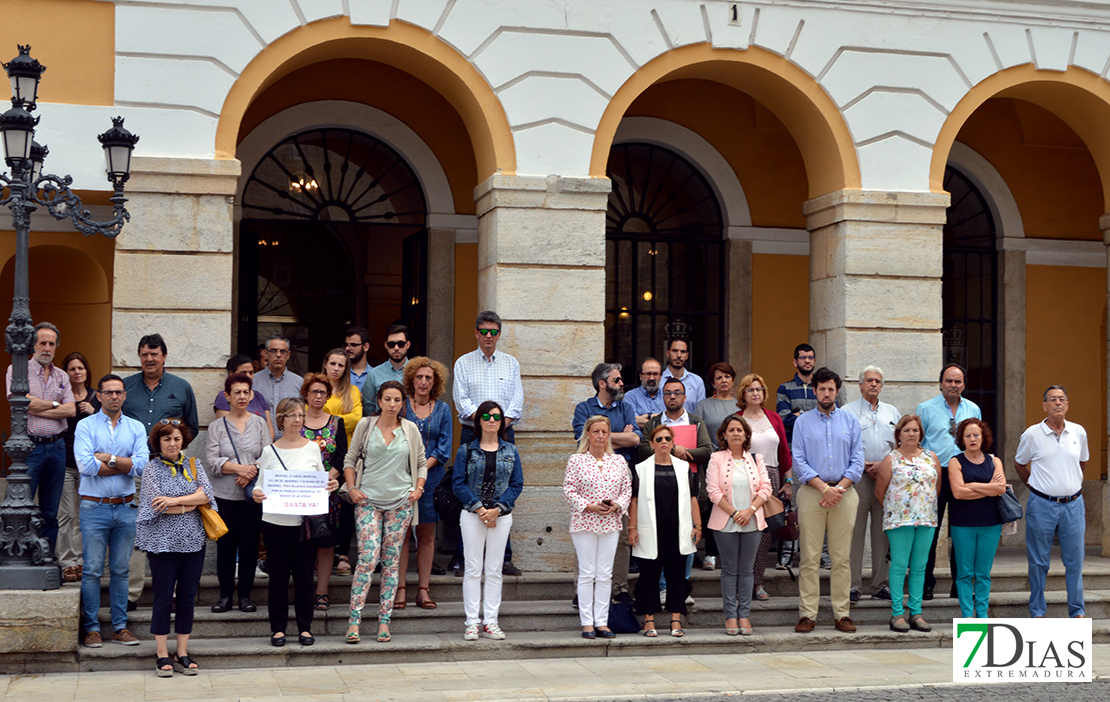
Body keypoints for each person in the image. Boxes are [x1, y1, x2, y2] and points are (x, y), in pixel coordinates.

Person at [344, 380, 428, 644]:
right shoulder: (365, 426)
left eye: (397, 400)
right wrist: (351, 488)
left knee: (391, 564)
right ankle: (354, 622)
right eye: (387, 399)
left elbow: (421, 463)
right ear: (379, 401)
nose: (392, 404)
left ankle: (384, 622)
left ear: (403, 403)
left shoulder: (410, 429)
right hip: (368, 500)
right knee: (368, 559)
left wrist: (418, 489)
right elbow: (349, 458)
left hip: (400, 502)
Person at [252, 397, 339, 647]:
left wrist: (330, 484)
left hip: (304, 524)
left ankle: (305, 627)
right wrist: (258, 494)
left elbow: (319, 481)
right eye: (292, 416)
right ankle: (278, 629)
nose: (298, 420)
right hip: (275, 523)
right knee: (278, 576)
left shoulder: (312, 448)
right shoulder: (269, 452)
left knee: (303, 577)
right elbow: (259, 486)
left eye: (301, 415)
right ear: (281, 420)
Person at [122, 332, 200, 608]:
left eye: (154, 354)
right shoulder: (125, 387)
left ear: (164, 356)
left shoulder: (181, 387)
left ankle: (173, 594)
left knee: (174, 527)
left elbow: (191, 426)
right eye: (144, 354)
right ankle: (131, 594)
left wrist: (173, 452)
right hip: (133, 469)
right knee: (136, 529)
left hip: (171, 469)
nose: (149, 358)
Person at [74, 374, 149, 648]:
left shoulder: (136, 428)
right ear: (99, 396)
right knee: (92, 570)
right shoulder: (84, 426)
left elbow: (142, 467)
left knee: (121, 570)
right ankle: (92, 628)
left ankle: (120, 627)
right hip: (94, 507)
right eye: (108, 392)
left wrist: (109, 458)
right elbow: (86, 466)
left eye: (118, 392)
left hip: (127, 507)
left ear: (125, 395)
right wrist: (124, 463)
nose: (114, 397)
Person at [136, 418, 215, 676]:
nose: (172, 443)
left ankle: (182, 651)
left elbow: (207, 496)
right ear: (158, 442)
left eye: (177, 438)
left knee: (187, 598)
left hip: (193, 542)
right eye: (167, 438)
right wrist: (189, 504)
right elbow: (157, 505)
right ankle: (161, 653)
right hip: (162, 543)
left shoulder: (194, 464)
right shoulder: (151, 469)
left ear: (184, 441)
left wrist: (176, 501)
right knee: (162, 598)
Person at [791, 367, 863, 634]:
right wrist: (823, 488)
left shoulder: (850, 421)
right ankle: (808, 614)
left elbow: (857, 460)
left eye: (831, 389)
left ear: (837, 391)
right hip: (812, 493)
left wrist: (839, 489)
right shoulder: (802, 422)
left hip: (844, 494)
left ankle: (841, 614)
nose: (826, 393)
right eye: (822, 388)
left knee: (841, 557)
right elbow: (798, 460)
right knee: (809, 557)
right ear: (814, 390)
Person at [453, 310, 525, 575]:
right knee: (468, 490)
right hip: (472, 433)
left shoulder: (511, 363)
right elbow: (461, 400)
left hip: (505, 434)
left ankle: (503, 558)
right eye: (483, 331)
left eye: (493, 332)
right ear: (476, 333)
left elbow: (517, 400)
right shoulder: (463, 363)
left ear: (499, 334)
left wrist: (498, 424)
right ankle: (464, 558)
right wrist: (485, 421)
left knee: (503, 489)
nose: (488, 336)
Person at [452, 400, 524, 641]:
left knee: (494, 569)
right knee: (473, 569)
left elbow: (516, 484)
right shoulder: (466, 450)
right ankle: (472, 622)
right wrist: (481, 509)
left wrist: (498, 509)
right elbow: (458, 483)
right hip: (473, 515)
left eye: (496, 416)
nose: (491, 420)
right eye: (486, 416)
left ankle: (491, 622)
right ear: (478, 421)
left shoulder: (511, 451)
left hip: (501, 517)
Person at [1016, 385, 1089, 619]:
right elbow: (1020, 464)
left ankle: (1077, 611)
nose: (1058, 403)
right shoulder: (1031, 434)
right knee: (1038, 561)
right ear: (1044, 406)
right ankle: (1037, 611)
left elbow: (1082, 463)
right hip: (1042, 504)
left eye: (1062, 399)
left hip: (1074, 504)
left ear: (1067, 404)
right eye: (1052, 400)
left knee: (1075, 560)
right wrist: (1034, 486)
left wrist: (1071, 482)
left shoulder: (1079, 432)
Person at [204, 372, 272, 614]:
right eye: (237, 392)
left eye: (246, 392)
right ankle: (224, 596)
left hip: (252, 496)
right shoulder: (216, 427)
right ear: (227, 396)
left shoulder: (260, 423)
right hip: (224, 496)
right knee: (226, 546)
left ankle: (245, 595)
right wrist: (240, 468)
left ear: (251, 394)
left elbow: (267, 456)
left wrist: (250, 472)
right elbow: (212, 461)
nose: (242, 396)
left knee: (250, 545)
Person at [5, 322, 75, 553]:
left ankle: (45, 556)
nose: (46, 348)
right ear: (33, 345)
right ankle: (17, 556)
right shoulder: (17, 370)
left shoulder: (62, 376)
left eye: (51, 344)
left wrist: (40, 405)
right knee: (19, 507)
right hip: (28, 448)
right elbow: (23, 404)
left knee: (50, 511)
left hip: (56, 448)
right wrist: (56, 404)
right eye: (42, 343)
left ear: (56, 347)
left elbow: (71, 410)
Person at [638, 377, 712, 590]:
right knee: (662, 537)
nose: (672, 396)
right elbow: (642, 451)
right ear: (663, 397)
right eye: (668, 393)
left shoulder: (696, 422)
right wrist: (671, 448)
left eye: (677, 393)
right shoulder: (654, 423)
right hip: (658, 487)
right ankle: (662, 587)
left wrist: (682, 452)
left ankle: (681, 586)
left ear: (684, 397)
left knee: (687, 536)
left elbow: (707, 451)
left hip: (687, 486)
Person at [563, 415, 632, 639]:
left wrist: (617, 506)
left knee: (605, 573)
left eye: (604, 431)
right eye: (596, 431)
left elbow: (626, 489)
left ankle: (602, 621)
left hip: (611, 522)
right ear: (588, 434)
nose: (600, 436)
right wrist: (589, 506)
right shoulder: (576, 460)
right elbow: (569, 490)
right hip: (584, 522)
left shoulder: (618, 461)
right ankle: (587, 623)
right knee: (587, 572)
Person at [916, 363, 981, 600]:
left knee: (962, 534)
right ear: (941, 382)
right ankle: (926, 584)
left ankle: (959, 585)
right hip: (936, 476)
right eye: (949, 381)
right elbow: (918, 444)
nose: (953, 385)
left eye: (958, 381)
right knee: (929, 533)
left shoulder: (973, 408)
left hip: (964, 476)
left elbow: (977, 442)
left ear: (964, 384)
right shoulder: (925, 408)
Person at [629, 425, 699, 638]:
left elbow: (693, 497)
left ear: (672, 442)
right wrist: (632, 528)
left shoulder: (683, 467)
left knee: (676, 575)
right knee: (649, 575)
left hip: (678, 529)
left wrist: (698, 525)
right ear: (651, 444)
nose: (663, 442)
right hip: (650, 529)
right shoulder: (641, 468)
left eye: (667, 438)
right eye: (658, 439)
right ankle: (649, 619)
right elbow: (635, 500)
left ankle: (676, 618)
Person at [706, 415, 771, 636]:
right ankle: (730, 616)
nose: (735, 433)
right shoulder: (716, 458)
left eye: (739, 430)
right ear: (724, 434)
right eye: (731, 430)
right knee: (729, 570)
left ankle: (744, 615)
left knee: (746, 570)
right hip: (726, 521)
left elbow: (766, 489)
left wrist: (749, 511)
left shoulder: (756, 458)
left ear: (746, 435)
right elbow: (713, 491)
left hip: (752, 520)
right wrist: (735, 513)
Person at [874, 415, 940, 633]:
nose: (911, 434)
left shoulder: (931, 457)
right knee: (900, 565)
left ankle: (916, 612)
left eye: (915, 430)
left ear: (921, 434)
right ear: (899, 435)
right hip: (899, 519)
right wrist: (899, 508)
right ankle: (896, 614)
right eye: (907, 430)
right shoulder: (890, 460)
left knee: (920, 567)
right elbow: (879, 491)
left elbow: (936, 488)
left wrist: (922, 506)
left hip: (926, 518)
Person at [400, 357, 453, 610]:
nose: (423, 382)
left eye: (428, 378)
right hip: (400, 479)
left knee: (426, 535)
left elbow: (443, 449)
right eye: (419, 377)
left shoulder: (442, 409)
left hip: (430, 481)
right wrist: (409, 471)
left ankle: (423, 590)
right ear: (411, 379)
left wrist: (421, 470)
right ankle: (399, 589)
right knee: (400, 536)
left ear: (435, 382)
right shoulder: (401, 406)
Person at [844, 365, 900, 603]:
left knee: (882, 534)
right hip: (857, 478)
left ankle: (879, 584)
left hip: (885, 480)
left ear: (882, 385)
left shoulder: (892, 412)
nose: (873, 384)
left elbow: (899, 446)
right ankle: (853, 585)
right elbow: (842, 444)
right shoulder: (847, 411)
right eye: (869, 380)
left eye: (877, 381)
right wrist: (863, 463)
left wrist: (883, 466)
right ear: (860, 385)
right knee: (854, 533)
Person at [736, 372, 791, 599]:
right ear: (743, 394)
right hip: (744, 478)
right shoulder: (737, 418)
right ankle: (741, 583)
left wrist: (788, 482)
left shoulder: (774, 418)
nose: (755, 393)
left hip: (772, 477)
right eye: (751, 389)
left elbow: (784, 452)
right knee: (744, 531)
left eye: (759, 389)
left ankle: (757, 584)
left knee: (765, 534)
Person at [300, 372, 348, 612]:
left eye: (322, 392)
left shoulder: (336, 422)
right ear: (306, 395)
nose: (318, 396)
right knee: (304, 543)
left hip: (328, 492)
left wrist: (332, 475)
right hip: (300, 493)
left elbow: (343, 455)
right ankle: (305, 589)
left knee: (326, 544)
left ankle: (322, 592)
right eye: (314, 392)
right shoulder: (297, 421)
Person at [949, 418, 1005, 619]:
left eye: (976, 435)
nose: (972, 439)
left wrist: (971, 485)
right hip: (963, 524)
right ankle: (966, 614)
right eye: (967, 435)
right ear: (962, 439)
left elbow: (1000, 488)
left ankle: (982, 614)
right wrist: (988, 488)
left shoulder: (994, 461)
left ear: (983, 438)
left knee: (983, 573)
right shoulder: (955, 461)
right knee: (964, 573)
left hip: (991, 524)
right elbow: (958, 493)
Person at [60, 351, 98, 583]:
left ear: (86, 371)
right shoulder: (61, 397)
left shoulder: (96, 398)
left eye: (80, 368)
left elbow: (110, 424)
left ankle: (82, 561)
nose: (76, 372)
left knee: (85, 515)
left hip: (88, 467)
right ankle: (67, 562)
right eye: (72, 368)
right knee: (66, 514)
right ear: (66, 373)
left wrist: (95, 413)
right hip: (64, 463)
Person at [777, 343, 841, 443]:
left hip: (821, 445)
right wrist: (815, 416)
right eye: (803, 357)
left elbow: (832, 414)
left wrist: (800, 414)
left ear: (814, 362)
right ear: (795, 362)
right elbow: (784, 419)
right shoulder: (785, 388)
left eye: (810, 357)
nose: (807, 361)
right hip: (793, 447)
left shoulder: (824, 388)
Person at [252, 334, 304, 438]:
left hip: (289, 444)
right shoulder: (253, 381)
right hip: (259, 442)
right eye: (274, 351)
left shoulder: (299, 382)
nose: (278, 355)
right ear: (266, 353)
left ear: (288, 355)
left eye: (282, 351)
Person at [212, 353, 273, 438]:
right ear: (231, 374)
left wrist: (266, 447)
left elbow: (269, 428)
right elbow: (227, 429)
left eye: (251, 373)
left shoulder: (258, 396)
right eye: (243, 372)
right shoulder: (224, 397)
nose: (248, 376)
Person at [365, 324, 411, 416]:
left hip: (411, 427)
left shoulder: (418, 373)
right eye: (391, 344)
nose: (396, 348)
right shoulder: (374, 374)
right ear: (385, 345)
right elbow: (368, 405)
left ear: (408, 344)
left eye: (401, 344)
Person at [321, 347, 363, 446]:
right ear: (325, 365)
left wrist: (326, 421)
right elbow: (310, 417)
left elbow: (356, 419)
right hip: (320, 445)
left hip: (345, 446)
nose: (336, 368)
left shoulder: (353, 391)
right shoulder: (315, 389)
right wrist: (340, 420)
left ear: (345, 369)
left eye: (341, 365)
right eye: (333, 364)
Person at [697, 362, 740, 451]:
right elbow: (697, 434)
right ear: (713, 383)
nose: (724, 380)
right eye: (719, 378)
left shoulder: (740, 405)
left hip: (736, 456)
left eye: (727, 376)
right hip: (711, 456)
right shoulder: (703, 405)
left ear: (732, 380)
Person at [660, 338, 705, 414]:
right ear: (667, 354)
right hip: (663, 424)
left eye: (683, 352)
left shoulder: (697, 381)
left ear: (687, 356)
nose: (679, 355)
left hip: (689, 425)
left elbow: (700, 412)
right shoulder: (659, 380)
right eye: (675, 351)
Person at [624, 357, 665, 430]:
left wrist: (645, 416)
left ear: (661, 376)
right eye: (648, 374)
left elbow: (673, 419)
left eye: (655, 374)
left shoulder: (667, 395)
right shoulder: (629, 397)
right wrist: (659, 419)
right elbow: (633, 422)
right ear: (640, 376)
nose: (652, 378)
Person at [344, 325, 372, 399]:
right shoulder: (340, 373)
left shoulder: (375, 375)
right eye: (346, 345)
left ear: (366, 347)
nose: (347, 348)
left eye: (353, 345)